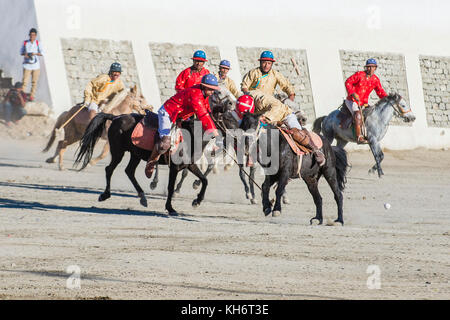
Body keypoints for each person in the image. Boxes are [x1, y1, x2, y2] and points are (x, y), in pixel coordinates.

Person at [145, 74, 221, 178]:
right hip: (168, 113)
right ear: (204, 86)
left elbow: (207, 110)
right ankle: (151, 161)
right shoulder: (196, 95)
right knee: (165, 143)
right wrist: (215, 133)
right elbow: (203, 115)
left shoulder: (205, 95)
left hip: (179, 116)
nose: (212, 92)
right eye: (210, 89)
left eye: (214, 89)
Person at [344, 58, 388, 144]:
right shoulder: (359, 75)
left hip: (364, 103)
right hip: (352, 101)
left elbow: (380, 92)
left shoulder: (375, 80)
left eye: (372, 67)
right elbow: (348, 82)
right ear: (366, 67)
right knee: (358, 115)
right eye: (368, 67)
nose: (370, 69)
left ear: (375, 68)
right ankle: (359, 137)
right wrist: (352, 93)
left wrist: (388, 99)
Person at [20, 28, 43, 101]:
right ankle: (22, 95)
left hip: (36, 65)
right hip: (27, 65)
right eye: (31, 35)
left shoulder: (38, 43)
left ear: (35, 35)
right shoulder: (25, 42)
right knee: (24, 81)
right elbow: (21, 52)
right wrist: (26, 54)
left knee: (34, 82)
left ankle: (32, 96)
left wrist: (35, 53)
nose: (32, 36)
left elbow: (42, 53)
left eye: (33, 35)